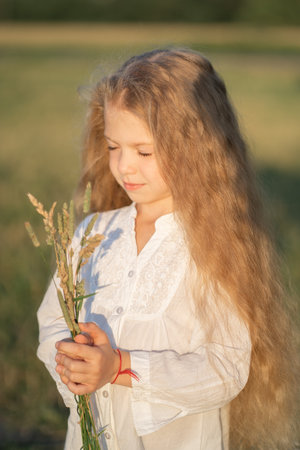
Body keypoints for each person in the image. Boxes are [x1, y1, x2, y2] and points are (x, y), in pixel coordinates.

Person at [37, 48, 298, 450]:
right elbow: (53, 317)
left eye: (144, 152)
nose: (124, 166)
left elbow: (225, 368)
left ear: (198, 149)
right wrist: (73, 362)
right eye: (112, 146)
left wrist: (121, 367)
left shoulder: (214, 248)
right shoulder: (94, 234)